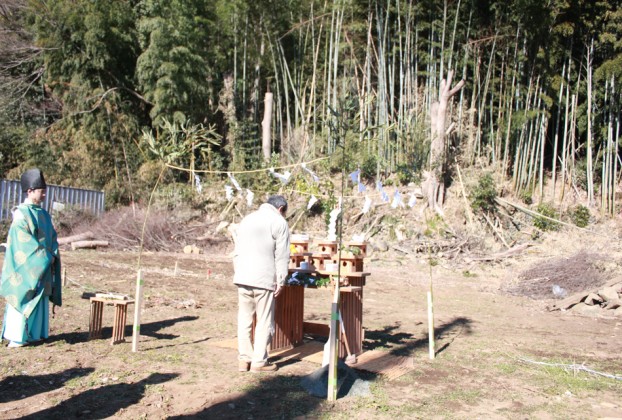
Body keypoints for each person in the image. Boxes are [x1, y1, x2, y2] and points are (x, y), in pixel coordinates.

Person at [1, 168, 62, 347]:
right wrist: (44, 257)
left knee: (40, 298)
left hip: (43, 266)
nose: (44, 195)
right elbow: (22, 242)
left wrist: (52, 254)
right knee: (24, 294)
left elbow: (52, 238)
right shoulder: (21, 213)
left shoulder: (43, 214)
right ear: (29, 191)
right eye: (41, 191)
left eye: (45, 191)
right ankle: (17, 336)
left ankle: (35, 334)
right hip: (25, 267)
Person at [233, 195, 290, 373]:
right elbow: (282, 256)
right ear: (281, 209)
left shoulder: (247, 219)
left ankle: (244, 359)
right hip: (264, 277)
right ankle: (259, 362)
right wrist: (281, 280)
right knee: (264, 320)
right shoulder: (279, 222)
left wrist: (238, 271)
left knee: (244, 319)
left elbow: (237, 248)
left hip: (243, 276)